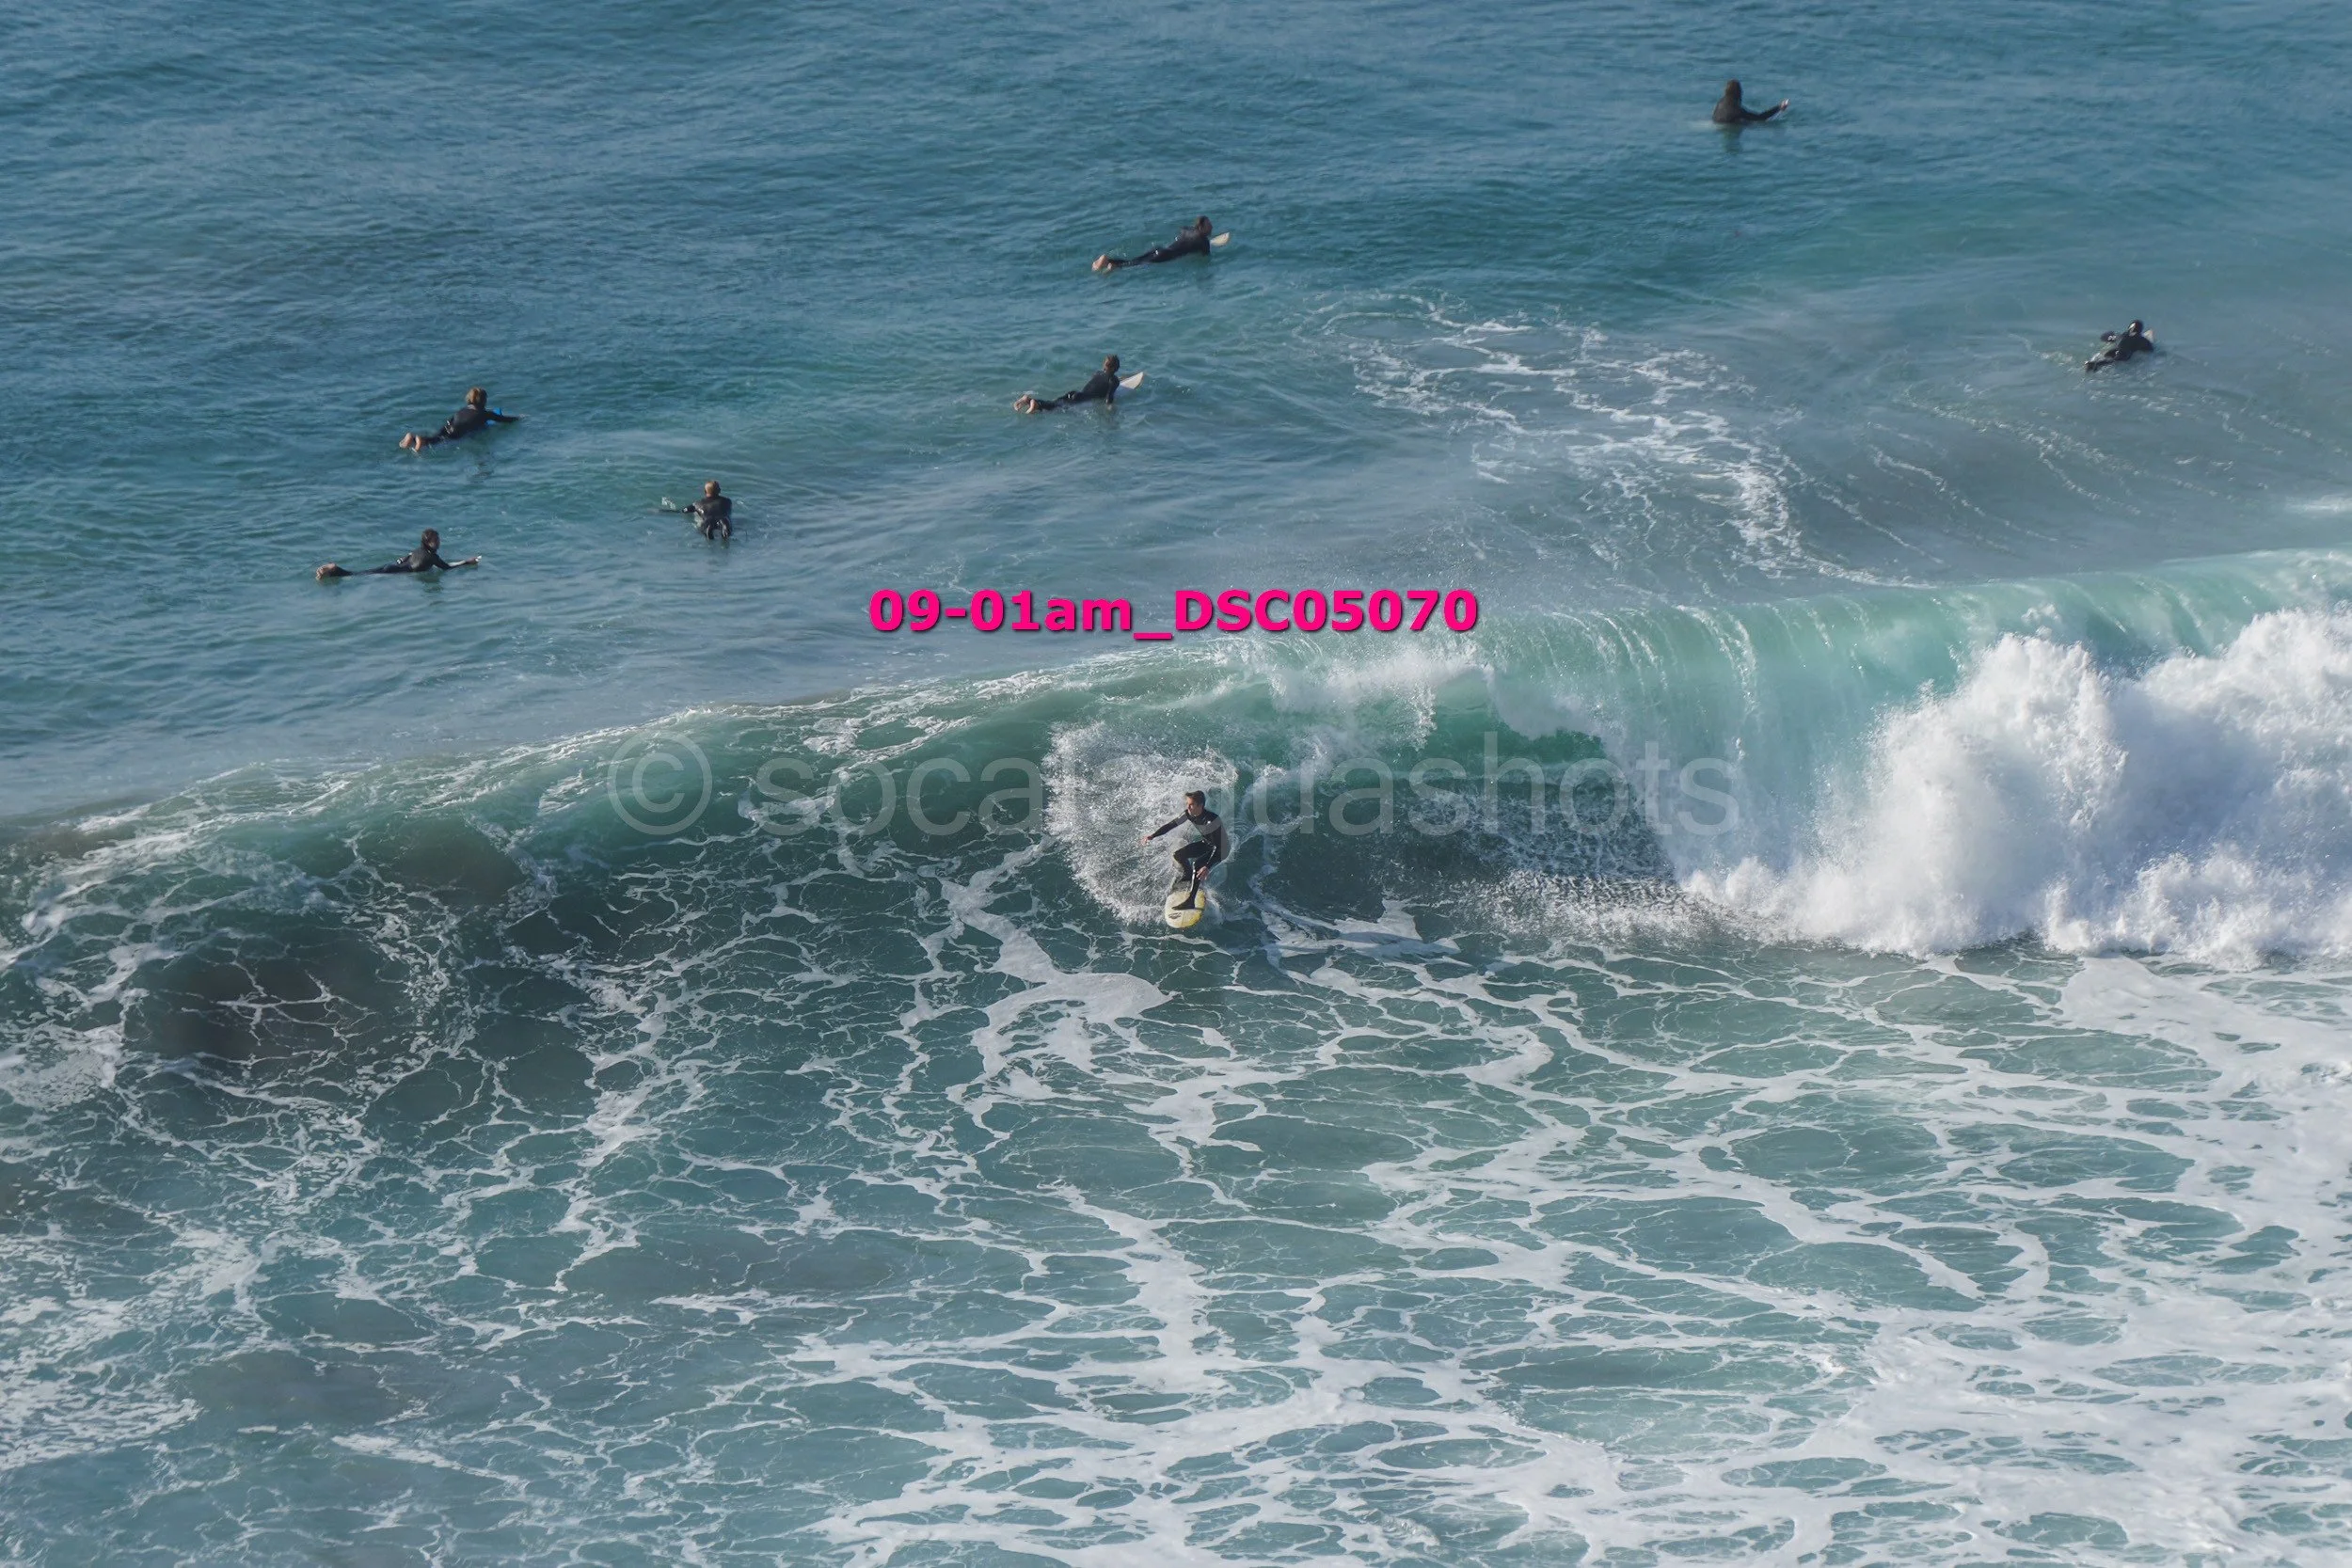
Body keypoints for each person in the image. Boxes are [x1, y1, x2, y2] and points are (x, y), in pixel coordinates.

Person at [1143, 790, 1229, 909]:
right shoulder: (1189, 814)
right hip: (1207, 843)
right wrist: (1153, 835)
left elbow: (1219, 846)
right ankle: (1188, 874)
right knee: (1178, 855)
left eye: (1191, 804)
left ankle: (1190, 902)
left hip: (1221, 849)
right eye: (1187, 804)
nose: (1187, 807)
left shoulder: (1212, 821)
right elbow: (1171, 825)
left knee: (1198, 864)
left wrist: (1207, 866)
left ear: (1200, 805)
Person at [316, 528, 481, 579]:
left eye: (438, 539)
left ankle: (334, 572)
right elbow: (446, 568)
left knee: (361, 573)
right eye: (435, 541)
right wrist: (467, 562)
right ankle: (335, 571)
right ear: (427, 543)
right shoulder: (432, 556)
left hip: (393, 566)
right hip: (396, 571)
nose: (438, 543)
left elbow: (405, 558)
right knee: (359, 575)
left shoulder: (418, 550)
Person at [400, 387, 519, 451]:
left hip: (448, 427)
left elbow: (449, 422)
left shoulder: (463, 410)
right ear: (483, 400)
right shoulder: (485, 414)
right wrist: (519, 418)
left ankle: (413, 438)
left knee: (438, 437)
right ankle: (420, 440)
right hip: (457, 433)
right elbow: (505, 420)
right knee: (441, 442)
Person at [1094, 216, 1215, 273]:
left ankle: (1108, 261)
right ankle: (1112, 266)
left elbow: (1182, 229)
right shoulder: (1203, 241)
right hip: (1166, 256)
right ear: (1201, 227)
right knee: (1136, 265)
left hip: (1160, 249)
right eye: (1209, 225)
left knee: (1135, 261)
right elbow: (1206, 257)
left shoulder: (1188, 231)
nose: (1211, 227)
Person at [1015, 355, 1124, 414]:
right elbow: (1108, 399)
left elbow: (1101, 381)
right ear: (1115, 368)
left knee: (1054, 403)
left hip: (1075, 393)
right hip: (1082, 399)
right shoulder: (1114, 381)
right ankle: (1035, 404)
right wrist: (1110, 412)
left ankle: (1029, 400)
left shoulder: (1098, 373)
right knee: (1056, 408)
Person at [2086, 320, 2155, 372]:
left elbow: (2105, 337)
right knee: (2117, 360)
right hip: (2125, 352)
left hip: (2117, 348)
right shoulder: (2141, 340)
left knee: (2108, 356)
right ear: (2140, 330)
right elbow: (2150, 350)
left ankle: (2093, 363)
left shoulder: (2121, 335)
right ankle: (2097, 364)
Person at [1712, 80, 1788, 124]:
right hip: (1730, 126)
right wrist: (1779, 108)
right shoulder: (1737, 111)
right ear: (1739, 93)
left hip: (1716, 123)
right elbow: (1760, 118)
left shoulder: (1720, 103)